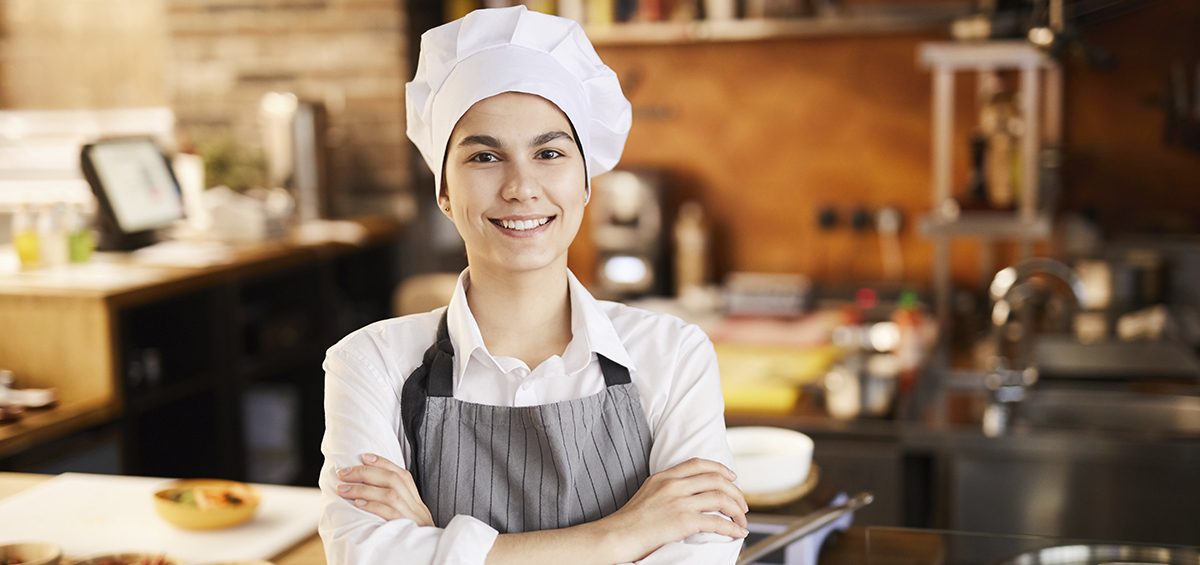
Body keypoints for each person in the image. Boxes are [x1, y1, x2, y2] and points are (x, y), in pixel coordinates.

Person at [318, 6, 747, 564]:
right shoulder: (369, 363)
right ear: (444, 192)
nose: (522, 187)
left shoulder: (673, 356)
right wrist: (619, 535)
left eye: (549, 153)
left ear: (586, 182)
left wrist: (437, 544)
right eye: (484, 156)